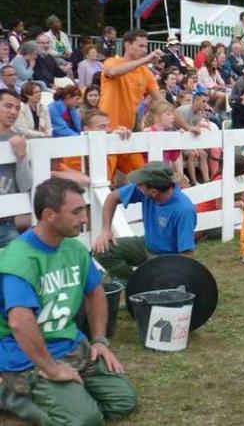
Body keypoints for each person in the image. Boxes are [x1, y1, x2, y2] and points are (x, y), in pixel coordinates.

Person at [0, 178, 137, 424]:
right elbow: (20, 322)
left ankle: (65, 396)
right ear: (49, 215)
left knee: (123, 401)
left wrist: (100, 340)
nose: (84, 219)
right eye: (76, 212)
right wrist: (52, 369)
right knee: (85, 420)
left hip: (71, 346)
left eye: (83, 209)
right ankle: (9, 393)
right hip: (27, 355)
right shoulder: (19, 258)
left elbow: (95, 292)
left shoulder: (74, 249)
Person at [92, 162, 197, 282]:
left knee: (158, 287)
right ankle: (133, 285)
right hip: (147, 244)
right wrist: (106, 230)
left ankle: (144, 286)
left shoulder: (184, 210)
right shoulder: (146, 189)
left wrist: (178, 277)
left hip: (168, 259)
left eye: (140, 185)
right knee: (102, 250)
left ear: (153, 192)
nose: (136, 187)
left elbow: (187, 254)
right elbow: (112, 197)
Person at [100, 29, 163, 178]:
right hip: (107, 132)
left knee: (147, 178)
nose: (144, 50)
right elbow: (113, 72)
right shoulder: (112, 62)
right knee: (103, 181)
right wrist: (146, 60)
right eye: (140, 46)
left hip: (126, 135)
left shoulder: (146, 73)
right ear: (127, 45)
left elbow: (161, 102)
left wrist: (185, 126)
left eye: (145, 47)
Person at [0, 90, 32, 248]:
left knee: (16, 266)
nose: (13, 112)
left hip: (6, 223)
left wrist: (20, 157)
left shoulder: (19, 140)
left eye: (17, 108)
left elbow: (25, 185)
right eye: (8, 106)